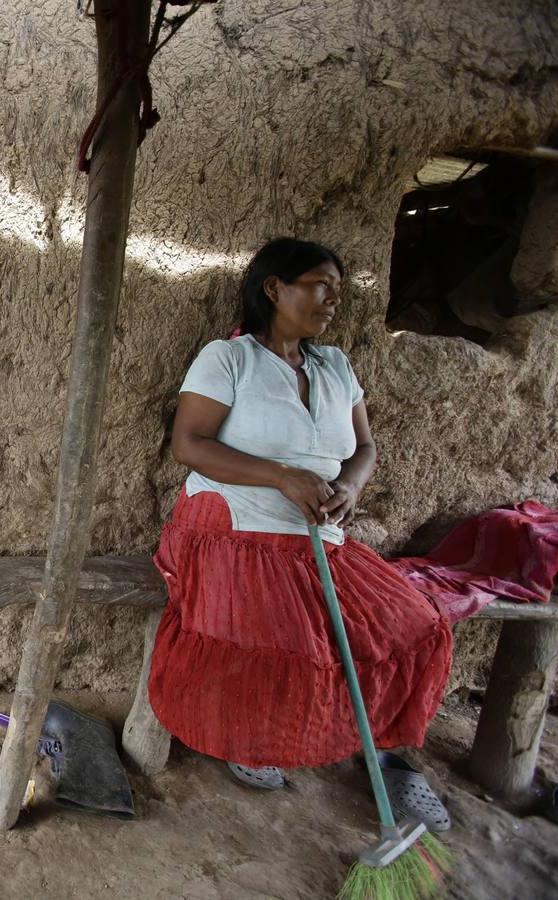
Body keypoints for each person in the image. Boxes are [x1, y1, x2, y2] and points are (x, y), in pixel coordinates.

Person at [147, 238, 454, 809]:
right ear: (274, 288)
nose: (333, 299)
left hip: (319, 536)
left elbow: (365, 447)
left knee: (412, 624)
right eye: (321, 285)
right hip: (233, 529)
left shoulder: (335, 365)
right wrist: (282, 477)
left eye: (338, 289)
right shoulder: (228, 358)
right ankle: (249, 739)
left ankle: (377, 750)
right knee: (287, 640)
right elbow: (189, 444)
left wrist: (350, 486)